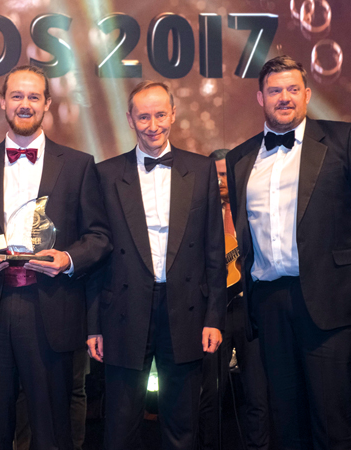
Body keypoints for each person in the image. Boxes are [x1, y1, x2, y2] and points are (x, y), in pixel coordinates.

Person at [0, 64, 111, 450]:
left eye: (34, 96)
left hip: (51, 311)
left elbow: (100, 236)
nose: (25, 104)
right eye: (17, 96)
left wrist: (68, 259)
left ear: (47, 103)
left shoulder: (78, 165)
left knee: (53, 433)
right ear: (2, 101)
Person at [87, 81, 227, 450]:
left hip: (186, 309)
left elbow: (214, 251)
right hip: (123, 311)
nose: (153, 125)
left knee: (182, 426)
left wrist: (214, 317)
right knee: (119, 425)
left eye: (160, 115)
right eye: (144, 116)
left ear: (173, 114)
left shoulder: (201, 170)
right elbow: (95, 255)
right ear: (130, 119)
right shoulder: (104, 174)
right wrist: (93, 325)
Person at [226, 55, 351, 450]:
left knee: (333, 420)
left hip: (329, 300)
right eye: (276, 90)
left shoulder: (343, 141)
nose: (285, 98)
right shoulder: (240, 157)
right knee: (285, 420)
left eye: (293, 89)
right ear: (260, 97)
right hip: (268, 305)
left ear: (308, 95)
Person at [197, 149, 270, 450]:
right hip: (215, 313)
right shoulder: (199, 213)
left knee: (258, 393)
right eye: (217, 176)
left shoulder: (252, 207)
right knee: (212, 395)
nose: (222, 183)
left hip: (250, 309)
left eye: (226, 176)